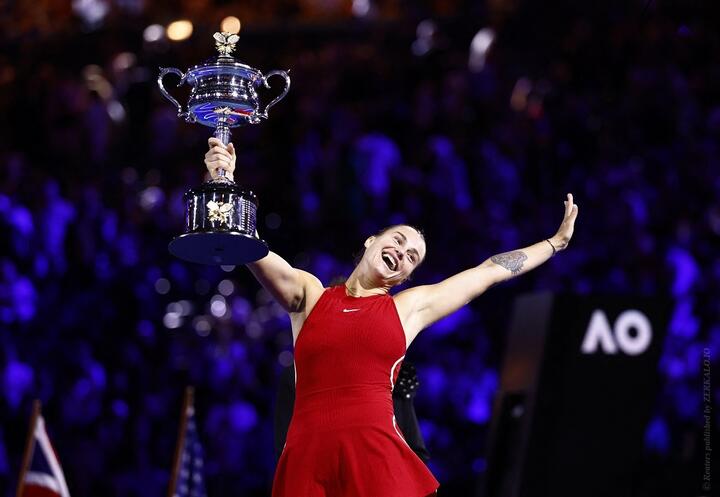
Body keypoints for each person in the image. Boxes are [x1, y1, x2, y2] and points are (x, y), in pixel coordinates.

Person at [205, 138, 579, 497]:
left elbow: (488, 271)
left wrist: (553, 244)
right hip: (307, 461)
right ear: (371, 240)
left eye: (412, 257)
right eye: (399, 241)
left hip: (375, 461)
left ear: (404, 277)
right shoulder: (310, 294)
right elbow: (250, 244)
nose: (402, 253)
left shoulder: (407, 308)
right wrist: (224, 183)